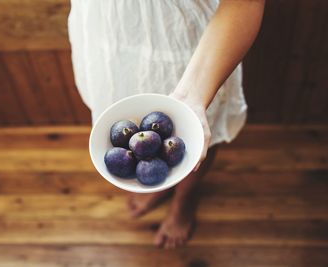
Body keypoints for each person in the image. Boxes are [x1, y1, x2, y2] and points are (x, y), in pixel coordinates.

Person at [68, 0, 265, 248]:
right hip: (108, 29)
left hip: (182, 32)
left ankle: (185, 198)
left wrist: (192, 97)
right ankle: (159, 184)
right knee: (127, 110)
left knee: (197, 131)